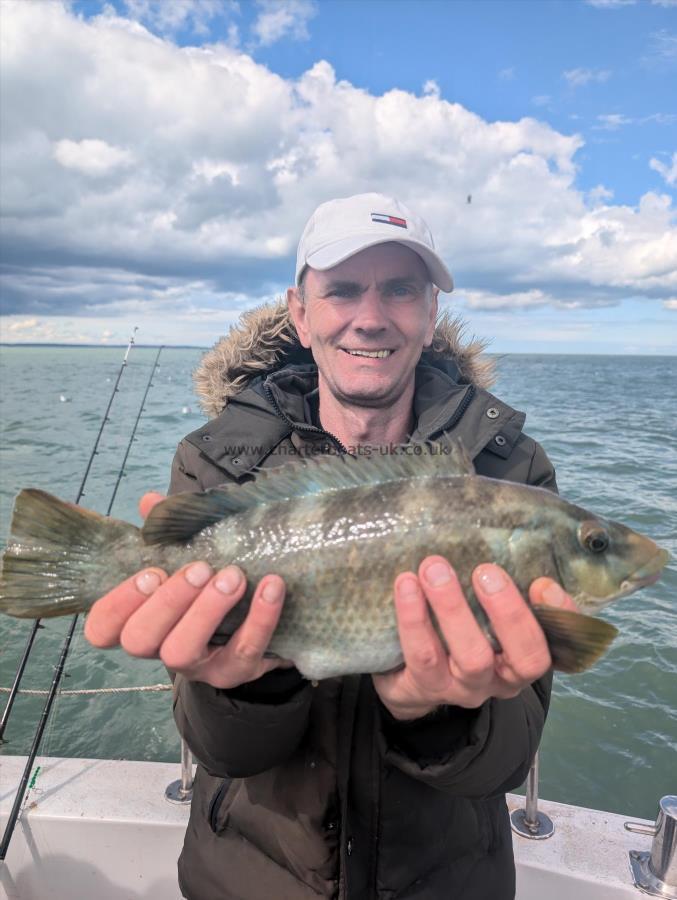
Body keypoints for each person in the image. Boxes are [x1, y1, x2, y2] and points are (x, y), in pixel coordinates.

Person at [85, 193, 578, 900]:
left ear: (430, 313)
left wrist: (439, 714)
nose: (370, 317)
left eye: (401, 290)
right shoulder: (217, 462)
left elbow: (504, 761)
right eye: (342, 289)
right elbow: (221, 752)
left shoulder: (507, 472)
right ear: (299, 310)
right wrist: (248, 680)